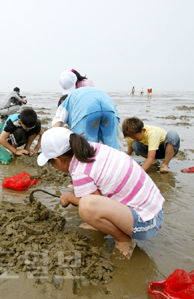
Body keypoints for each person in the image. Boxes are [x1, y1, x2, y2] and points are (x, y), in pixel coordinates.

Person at [37, 127, 164, 259]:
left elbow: (94, 204)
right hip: (154, 207)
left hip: (146, 222)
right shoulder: (92, 147)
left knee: (86, 208)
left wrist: (70, 197)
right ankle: (103, 225)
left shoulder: (80, 171)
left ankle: (123, 240)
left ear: (58, 160)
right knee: (89, 201)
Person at [53, 76, 123, 151]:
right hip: (109, 106)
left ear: (61, 102)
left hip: (87, 110)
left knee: (86, 149)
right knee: (115, 148)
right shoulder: (80, 93)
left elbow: (55, 127)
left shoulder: (64, 104)